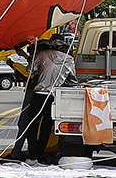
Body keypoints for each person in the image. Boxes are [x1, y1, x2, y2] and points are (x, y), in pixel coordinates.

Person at [11, 29, 71, 161]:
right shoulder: (69, 59)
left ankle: (33, 154)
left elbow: (30, 70)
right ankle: (40, 153)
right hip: (55, 97)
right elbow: (73, 81)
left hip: (40, 94)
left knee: (32, 124)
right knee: (46, 127)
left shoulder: (42, 54)